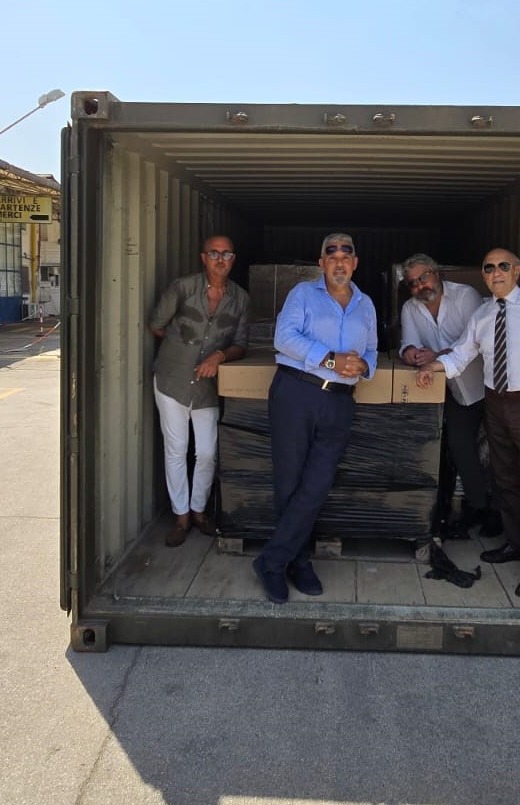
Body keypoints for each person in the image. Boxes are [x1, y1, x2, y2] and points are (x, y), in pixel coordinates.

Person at [416, 248, 520, 599]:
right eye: (489, 268)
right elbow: (462, 354)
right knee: (505, 478)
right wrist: (433, 366)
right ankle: (516, 543)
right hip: (497, 403)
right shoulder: (482, 314)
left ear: (517, 271)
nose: (496, 272)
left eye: (503, 266)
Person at [253, 233, 378, 603]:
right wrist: (331, 359)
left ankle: (273, 560)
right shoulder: (302, 294)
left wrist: (364, 365)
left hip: (339, 401)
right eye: (331, 255)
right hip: (297, 392)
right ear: (321, 263)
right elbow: (283, 338)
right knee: (290, 483)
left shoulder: (366, 304)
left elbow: (372, 348)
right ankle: (297, 562)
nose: (339, 261)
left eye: (346, 255)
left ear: (355, 263)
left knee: (318, 484)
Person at [149, 235, 249, 547]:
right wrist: (183, 347)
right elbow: (156, 324)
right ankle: (181, 517)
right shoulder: (182, 288)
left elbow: (240, 344)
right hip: (172, 380)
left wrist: (218, 356)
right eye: (214, 253)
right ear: (203, 258)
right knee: (176, 449)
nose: (220, 259)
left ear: (233, 259)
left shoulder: (241, 299)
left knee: (206, 451)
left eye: (226, 254)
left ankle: (198, 511)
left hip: (207, 386)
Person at [399, 253, 502, 537]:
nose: (420, 286)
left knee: (500, 451)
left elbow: (475, 343)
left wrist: (436, 355)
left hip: (490, 385)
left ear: (437, 273)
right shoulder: (410, 308)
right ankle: (478, 507)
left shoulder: (465, 296)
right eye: (412, 283)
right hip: (457, 390)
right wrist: (411, 353)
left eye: (423, 277)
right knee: (460, 445)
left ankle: (501, 513)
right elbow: (407, 343)